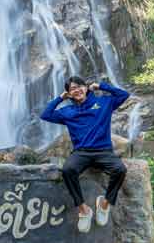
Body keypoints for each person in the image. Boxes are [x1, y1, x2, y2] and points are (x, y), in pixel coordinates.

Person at [39, 76, 130, 233]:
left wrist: (101, 86)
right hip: (81, 153)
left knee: (120, 169)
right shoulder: (67, 111)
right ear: (69, 94)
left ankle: (104, 204)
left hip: (103, 151)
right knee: (68, 170)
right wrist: (60, 98)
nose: (77, 90)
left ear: (86, 88)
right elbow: (45, 114)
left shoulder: (103, 103)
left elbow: (124, 95)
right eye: (72, 89)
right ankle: (84, 209)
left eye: (79, 86)